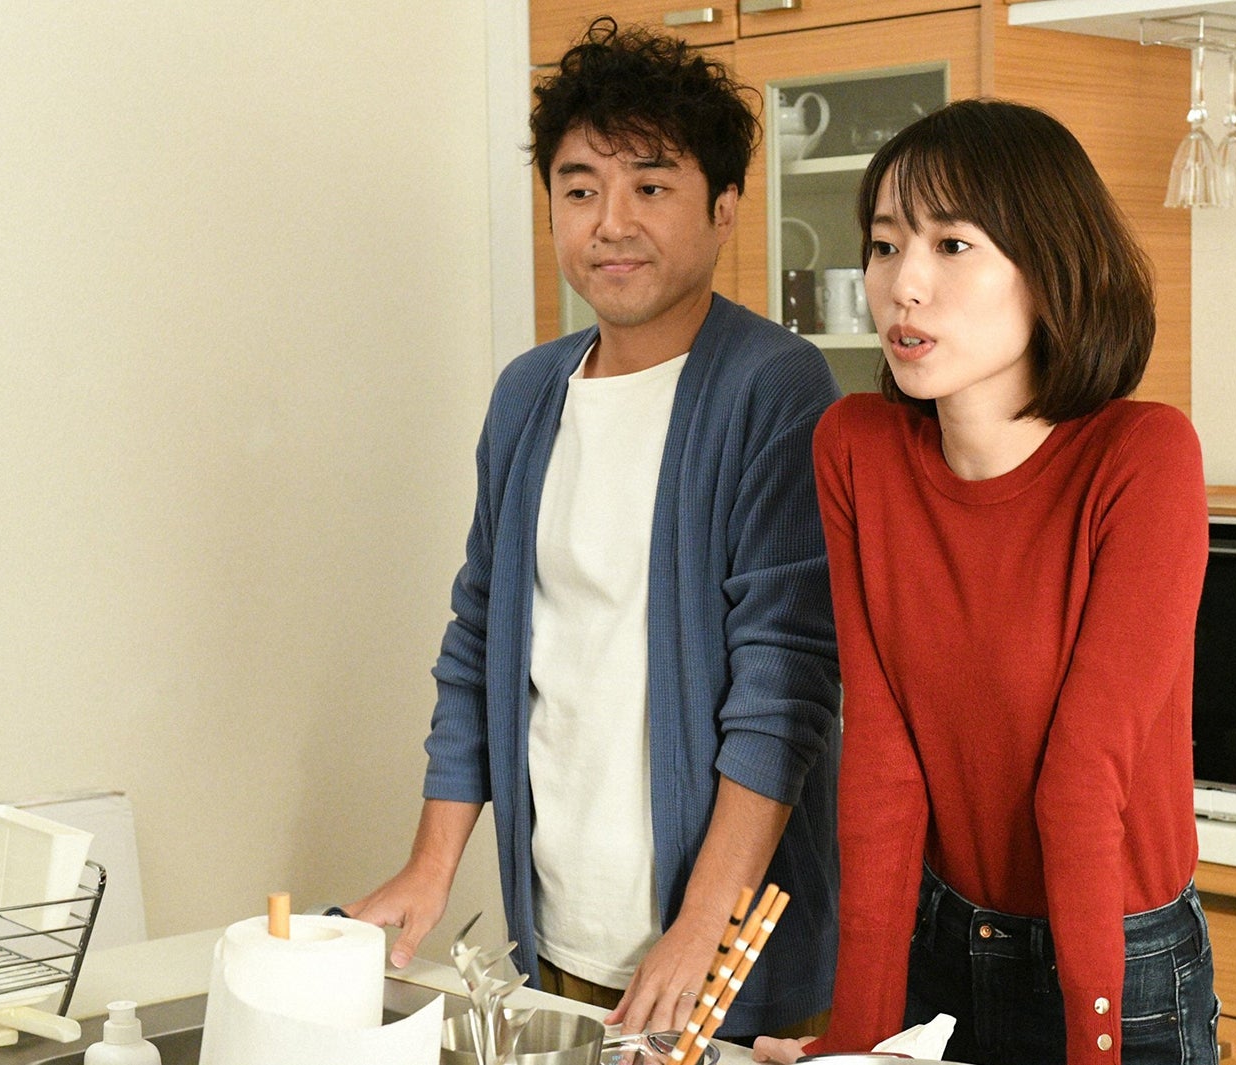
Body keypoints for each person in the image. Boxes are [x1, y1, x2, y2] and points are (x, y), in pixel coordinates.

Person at [348, 18, 841, 1042]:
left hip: (716, 960)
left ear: (725, 207)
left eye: (651, 186)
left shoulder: (773, 386)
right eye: (580, 191)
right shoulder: (528, 393)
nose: (611, 223)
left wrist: (704, 926)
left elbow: (783, 681)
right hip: (559, 932)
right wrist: (431, 866)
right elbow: (480, 640)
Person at [754, 99, 1217, 1065]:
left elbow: (1082, 777)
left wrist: (1093, 1047)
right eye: (886, 245)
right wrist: (854, 1042)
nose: (903, 285)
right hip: (943, 940)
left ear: (1051, 268)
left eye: (952, 245)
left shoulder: (1143, 456)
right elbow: (882, 759)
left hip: (1118, 959)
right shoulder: (857, 449)